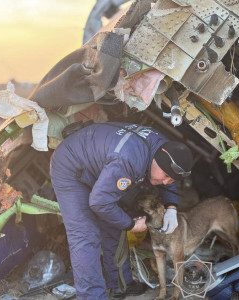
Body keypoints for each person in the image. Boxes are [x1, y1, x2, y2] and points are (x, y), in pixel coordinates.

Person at [50, 122, 194, 300]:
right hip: (70, 166)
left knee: (112, 224)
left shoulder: (165, 148)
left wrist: (172, 206)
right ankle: (92, 297)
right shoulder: (129, 161)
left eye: (171, 179)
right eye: (165, 176)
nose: (166, 182)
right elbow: (99, 202)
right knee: (85, 235)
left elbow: (169, 178)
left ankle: (120, 285)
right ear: (157, 160)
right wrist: (131, 224)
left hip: (99, 163)